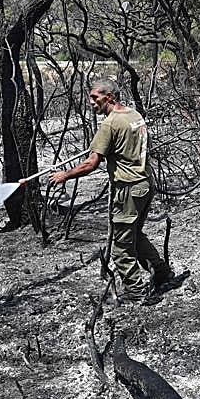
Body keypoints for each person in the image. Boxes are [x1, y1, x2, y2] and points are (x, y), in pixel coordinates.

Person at [50, 79, 185, 305]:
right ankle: (162, 273)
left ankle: (138, 293)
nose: (91, 102)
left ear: (109, 97)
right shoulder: (134, 115)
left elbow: (91, 164)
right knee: (135, 234)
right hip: (144, 185)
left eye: (95, 97)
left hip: (129, 190)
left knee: (120, 248)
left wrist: (64, 175)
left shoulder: (110, 124)